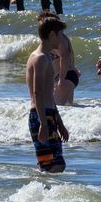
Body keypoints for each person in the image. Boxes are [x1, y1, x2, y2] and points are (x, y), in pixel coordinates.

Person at [26, 18, 70, 173]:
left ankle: (44, 194)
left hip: (47, 115)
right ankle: (43, 194)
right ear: (52, 35)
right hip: (41, 116)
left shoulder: (44, 57)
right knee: (53, 165)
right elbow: (37, 93)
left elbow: (48, 95)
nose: (61, 39)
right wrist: (44, 124)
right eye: (60, 35)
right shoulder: (40, 58)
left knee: (52, 165)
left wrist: (59, 122)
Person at [50, 20, 79, 106]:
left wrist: (61, 80)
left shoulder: (59, 40)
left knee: (56, 108)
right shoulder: (63, 37)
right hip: (68, 76)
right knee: (68, 109)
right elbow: (68, 58)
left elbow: (64, 58)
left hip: (64, 78)